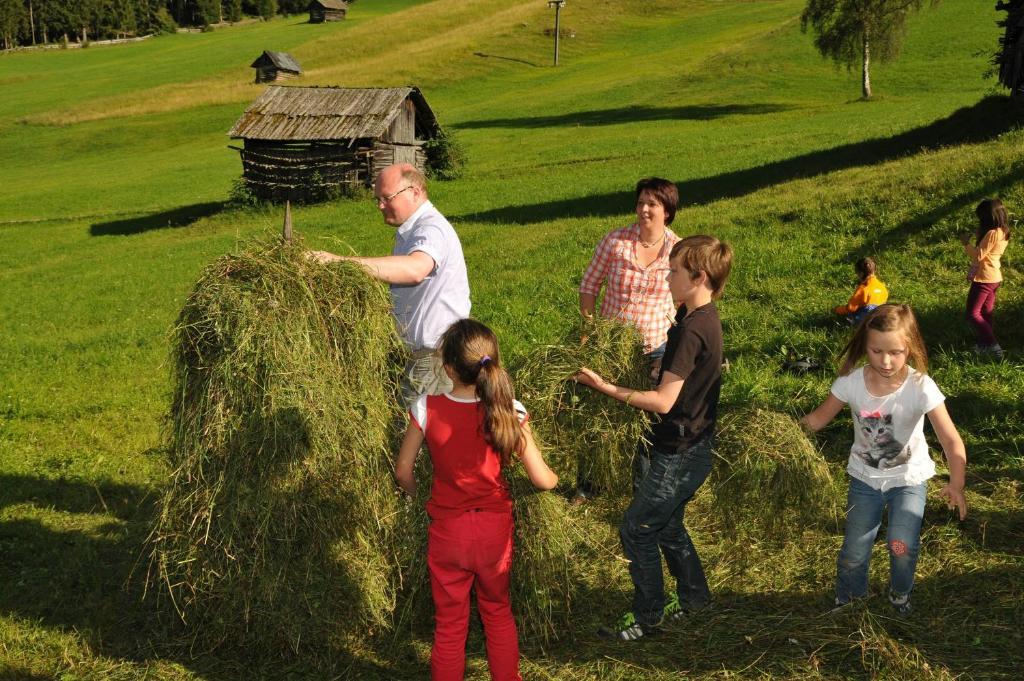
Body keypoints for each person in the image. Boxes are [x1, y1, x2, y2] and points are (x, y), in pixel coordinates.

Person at [575, 235, 733, 641]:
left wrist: (605, 387)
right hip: (697, 444)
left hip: (676, 451)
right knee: (669, 526)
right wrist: (664, 367)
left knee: (637, 528)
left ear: (698, 277)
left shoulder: (689, 331)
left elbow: (663, 402)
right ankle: (694, 598)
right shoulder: (703, 318)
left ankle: (648, 616)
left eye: (674, 271)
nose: (667, 277)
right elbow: (684, 376)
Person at [395, 318, 558, 681]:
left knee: (450, 625)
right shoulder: (510, 410)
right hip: (494, 533)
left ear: (448, 368)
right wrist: (555, 478)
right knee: (497, 612)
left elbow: (403, 470)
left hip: (448, 533)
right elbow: (541, 479)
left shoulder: (426, 407)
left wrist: (419, 499)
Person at [800, 304, 967, 616]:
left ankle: (900, 594)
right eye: (877, 351)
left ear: (910, 348)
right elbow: (817, 419)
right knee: (854, 550)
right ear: (866, 345)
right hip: (864, 480)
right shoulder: (850, 383)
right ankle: (850, 600)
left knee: (900, 545)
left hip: (908, 480)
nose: (886, 361)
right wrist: (783, 433)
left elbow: (950, 439)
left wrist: (956, 483)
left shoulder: (921, 387)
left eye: (896, 352)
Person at [309, 163, 471, 406]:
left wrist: (339, 262)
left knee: (422, 434)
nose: (380, 206)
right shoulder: (411, 232)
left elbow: (415, 269)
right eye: (377, 199)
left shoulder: (431, 228)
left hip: (434, 359)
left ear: (415, 192)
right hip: (422, 356)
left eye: (387, 198)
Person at [575, 177, 681, 502]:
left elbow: (686, 303)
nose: (644, 209)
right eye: (641, 203)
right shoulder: (615, 242)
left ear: (668, 211)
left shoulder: (679, 249)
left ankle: (643, 494)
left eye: (653, 204)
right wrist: (589, 331)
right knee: (598, 417)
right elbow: (589, 286)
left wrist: (672, 351)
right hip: (611, 347)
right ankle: (589, 486)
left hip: (655, 350)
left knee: (645, 426)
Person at [961, 198, 1011, 360]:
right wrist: (980, 237)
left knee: (973, 313)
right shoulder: (1003, 231)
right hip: (994, 276)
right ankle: (984, 345)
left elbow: (978, 255)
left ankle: (993, 346)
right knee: (986, 312)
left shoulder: (991, 233)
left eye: (981, 218)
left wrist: (966, 243)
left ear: (988, 217)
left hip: (984, 277)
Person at [834, 256, 888, 325]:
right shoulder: (882, 286)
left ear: (861, 273)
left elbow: (851, 308)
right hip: (880, 315)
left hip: (867, 318)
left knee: (850, 315)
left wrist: (838, 310)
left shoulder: (863, 289)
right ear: (874, 270)